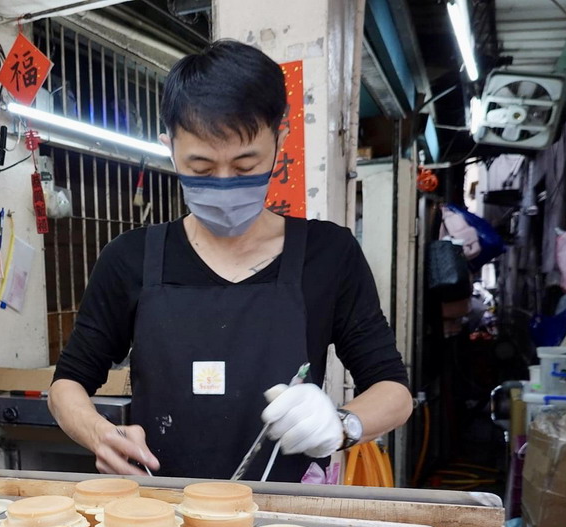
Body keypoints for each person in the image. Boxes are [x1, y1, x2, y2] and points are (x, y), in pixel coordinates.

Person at [48, 40, 412, 480]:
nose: (223, 184)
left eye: (244, 165)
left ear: (279, 141)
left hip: (288, 520)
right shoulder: (130, 258)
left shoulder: (328, 254)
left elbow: (393, 390)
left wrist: (342, 422)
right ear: (170, 148)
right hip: (160, 514)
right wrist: (98, 434)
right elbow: (67, 383)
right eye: (200, 168)